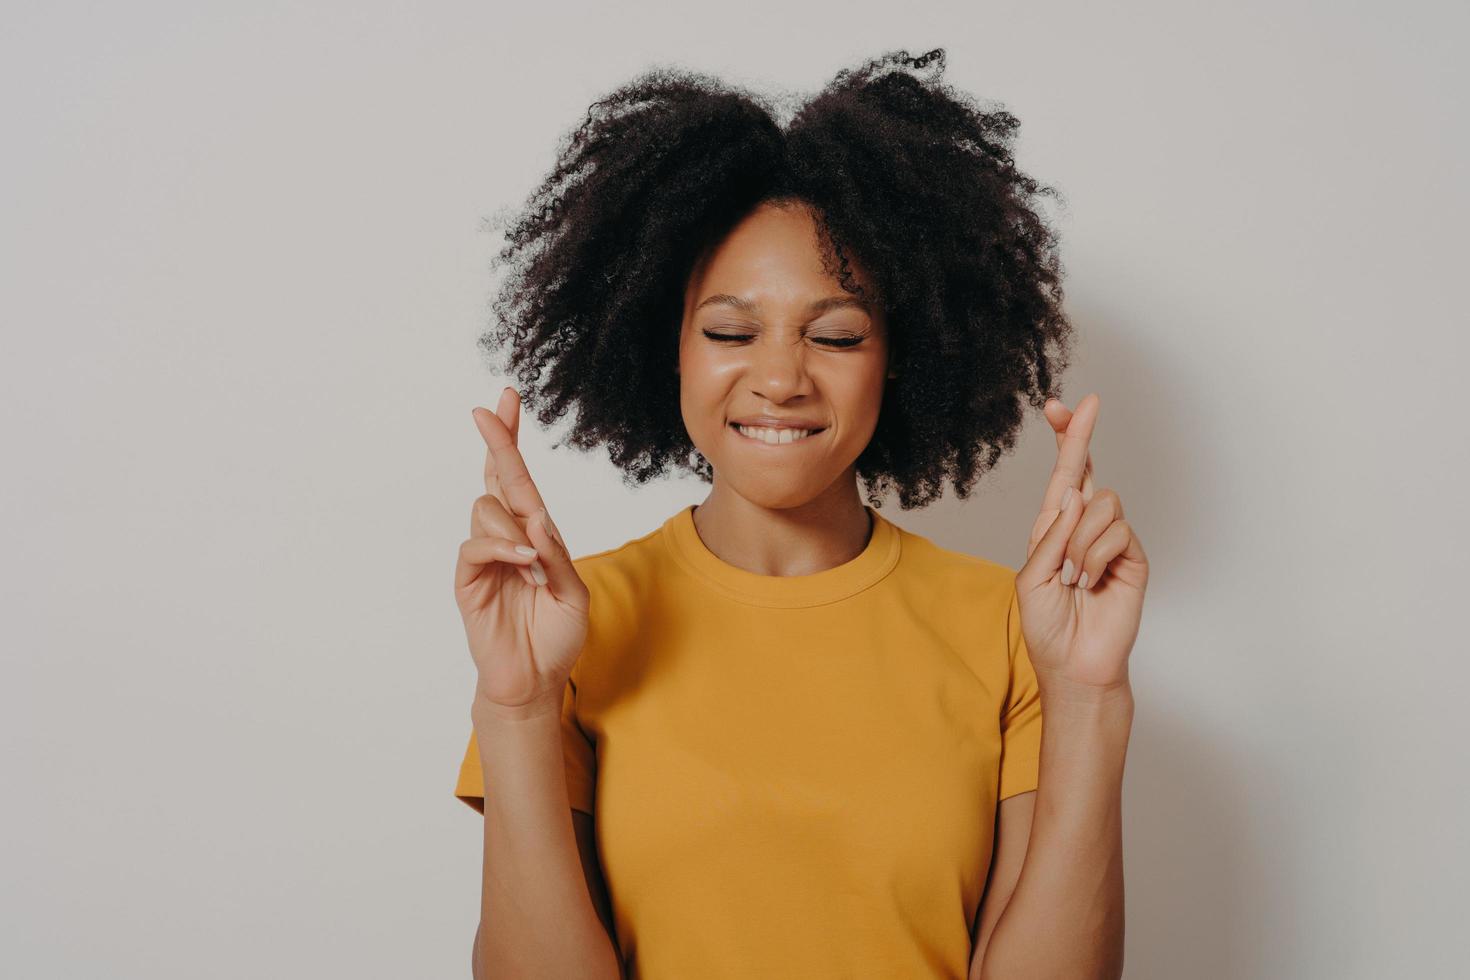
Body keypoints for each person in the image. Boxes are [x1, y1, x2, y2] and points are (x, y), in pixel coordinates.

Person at [451, 47, 1148, 980]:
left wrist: (1090, 697)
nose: (779, 378)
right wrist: (520, 708)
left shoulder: (1014, 629)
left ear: (901, 354)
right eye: (732, 332)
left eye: (836, 334)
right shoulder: (567, 628)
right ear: (670, 348)